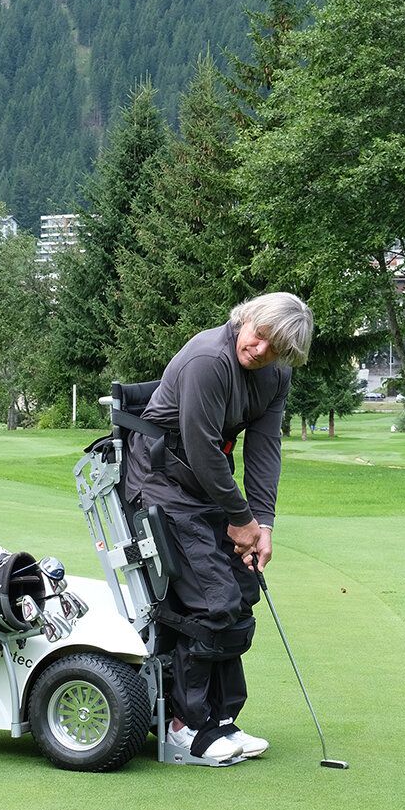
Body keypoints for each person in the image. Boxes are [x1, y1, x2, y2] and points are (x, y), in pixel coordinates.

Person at [123, 292, 313, 765]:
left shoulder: (275, 374)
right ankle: (182, 727)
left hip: (207, 488)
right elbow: (204, 449)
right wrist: (240, 518)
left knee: (242, 592)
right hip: (160, 483)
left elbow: (265, 449)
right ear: (245, 319)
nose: (261, 349)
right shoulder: (209, 358)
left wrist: (261, 522)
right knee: (212, 599)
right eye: (260, 334)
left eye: (276, 348)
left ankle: (220, 720)